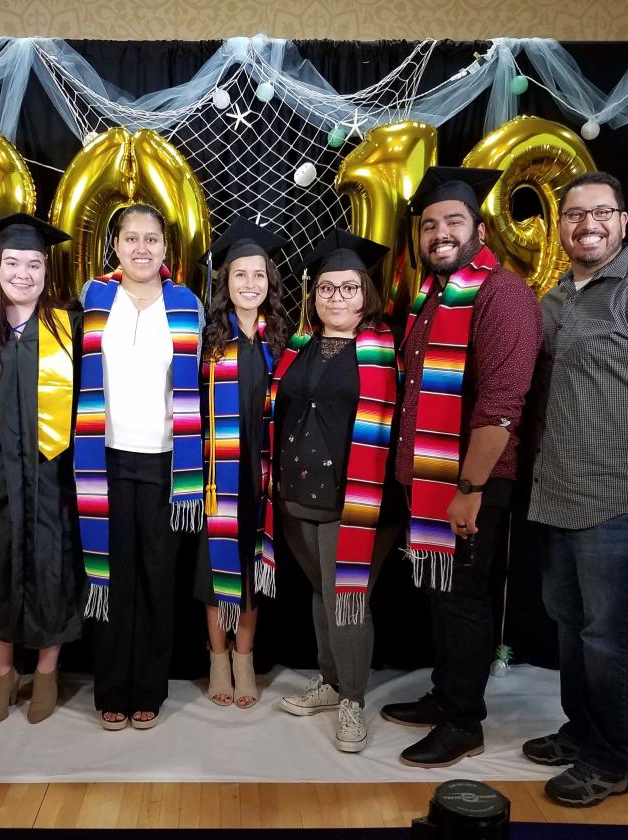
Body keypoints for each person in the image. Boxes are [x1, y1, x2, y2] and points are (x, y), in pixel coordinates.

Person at [378, 166, 542, 767]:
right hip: (429, 478)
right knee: (440, 597)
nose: (440, 233)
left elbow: (501, 407)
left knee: (466, 601)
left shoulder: (503, 296)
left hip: (474, 484)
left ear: (478, 226)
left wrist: (469, 488)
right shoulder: (433, 294)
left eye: (453, 221)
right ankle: (445, 695)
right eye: (429, 225)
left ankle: (462, 722)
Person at [268, 229, 399, 753]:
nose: (337, 297)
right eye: (326, 288)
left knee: (349, 598)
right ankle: (330, 682)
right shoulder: (297, 348)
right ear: (313, 294)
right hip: (299, 495)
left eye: (348, 288)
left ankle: (353, 700)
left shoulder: (385, 350)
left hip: (358, 500)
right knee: (324, 592)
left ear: (365, 294)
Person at [75, 204, 205, 730]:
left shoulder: (185, 303)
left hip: (165, 460)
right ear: (116, 246)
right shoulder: (94, 297)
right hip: (101, 456)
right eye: (132, 238)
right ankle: (111, 689)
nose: (142, 248)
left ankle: (148, 688)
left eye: (152, 239)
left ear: (166, 249)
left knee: (156, 576)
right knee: (112, 575)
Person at [524, 171, 628, 807]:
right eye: (574, 214)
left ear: (623, 221)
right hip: (556, 491)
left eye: (601, 213)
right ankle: (583, 730)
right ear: (560, 225)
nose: (586, 224)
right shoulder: (557, 296)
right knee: (568, 623)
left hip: (613, 498)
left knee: (606, 636)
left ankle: (612, 759)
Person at [0, 213, 86, 727]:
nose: (23, 273)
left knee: (52, 571)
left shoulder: (66, 326)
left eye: (34, 263)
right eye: (12, 262)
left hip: (52, 479)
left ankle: (48, 673)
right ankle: (4, 674)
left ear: (45, 269)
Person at [194, 217, 287, 708]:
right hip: (219, 476)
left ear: (269, 282)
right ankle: (217, 658)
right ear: (225, 284)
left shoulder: (280, 342)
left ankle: (245, 658)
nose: (249, 285)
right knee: (215, 572)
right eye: (239, 276)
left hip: (262, 476)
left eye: (258, 276)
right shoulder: (210, 342)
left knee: (252, 568)